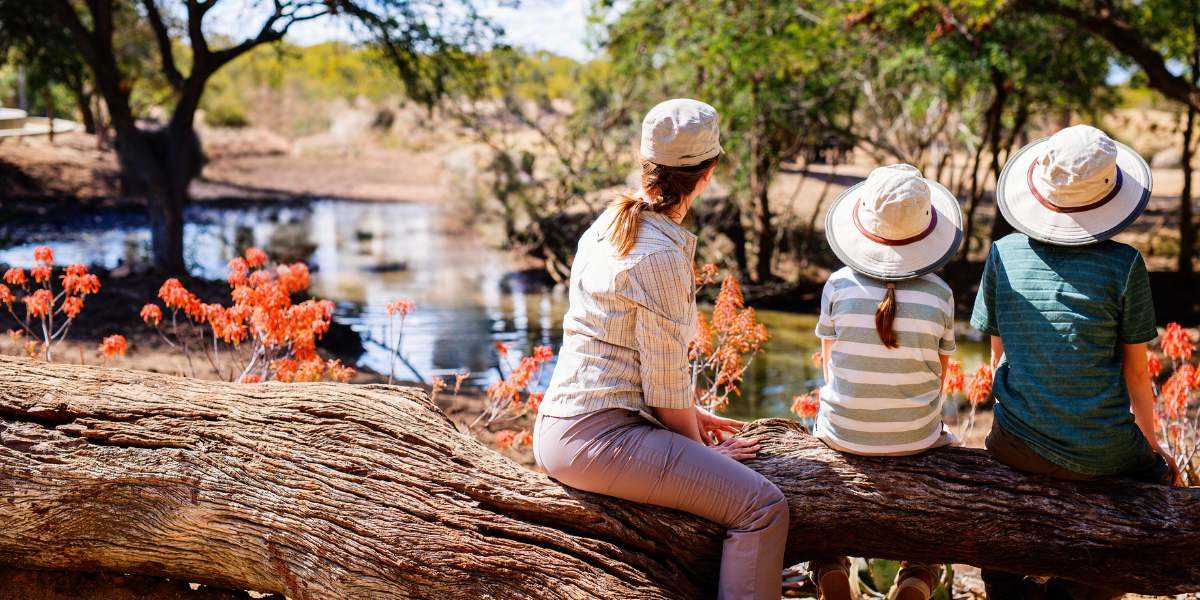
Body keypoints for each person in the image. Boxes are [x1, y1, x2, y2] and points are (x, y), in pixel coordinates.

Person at [531, 98, 789, 600]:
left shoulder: (607, 224)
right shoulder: (660, 255)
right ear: (709, 172)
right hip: (598, 441)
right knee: (763, 507)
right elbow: (667, 382)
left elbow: (619, 354)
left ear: (645, 161)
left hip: (561, 427)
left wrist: (689, 419)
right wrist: (698, 450)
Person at [970, 124, 1182, 599]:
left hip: (1014, 442)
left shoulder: (1002, 253)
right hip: (1102, 450)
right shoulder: (1124, 264)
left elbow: (999, 354)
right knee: (1154, 484)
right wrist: (1150, 448)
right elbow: (1135, 372)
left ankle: (1005, 585)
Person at [808, 164, 963, 600]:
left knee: (819, 425)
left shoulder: (837, 285)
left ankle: (828, 562)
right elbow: (939, 380)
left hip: (842, 434)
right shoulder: (940, 294)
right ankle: (918, 573)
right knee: (944, 446)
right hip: (915, 436)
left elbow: (828, 369)